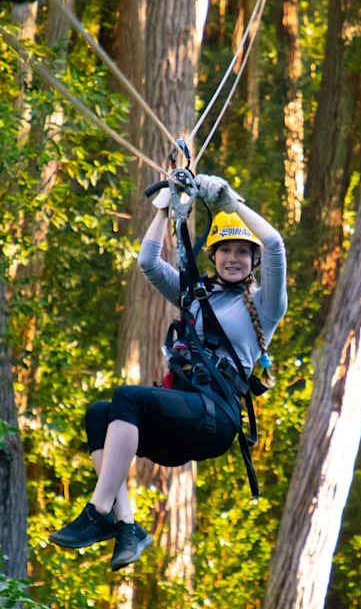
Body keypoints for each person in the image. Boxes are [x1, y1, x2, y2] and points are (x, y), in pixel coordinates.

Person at [48, 174, 287, 570]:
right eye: (225, 250)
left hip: (216, 418)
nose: (232, 258)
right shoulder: (195, 296)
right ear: (211, 256)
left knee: (128, 396)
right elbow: (147, 262)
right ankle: (126, 526)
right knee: (98, 414)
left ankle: (97, 511)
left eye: (243, 253)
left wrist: (230, 202)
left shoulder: (264, 306)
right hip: (182, 422)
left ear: (253, 262)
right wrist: (163, 210)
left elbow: (276, 243)